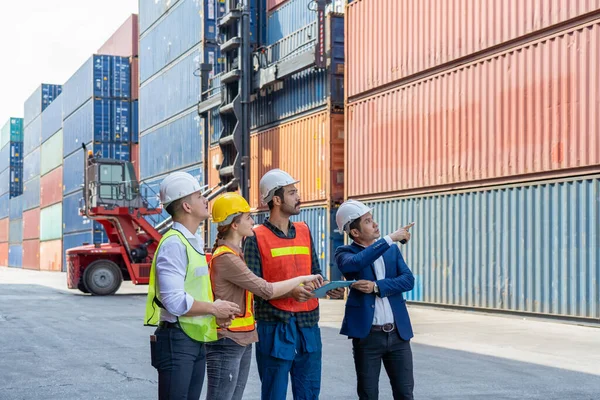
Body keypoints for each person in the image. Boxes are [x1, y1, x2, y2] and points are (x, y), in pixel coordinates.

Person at [205, 192, 324, 400]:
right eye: (248, 217)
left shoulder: (235, 254)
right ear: (234, 224)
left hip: (244, 335)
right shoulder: (228, 257)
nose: (253, 221)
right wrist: (300, 280)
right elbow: (265, 290)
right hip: (233, 336)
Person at [243, 168, 346, 400]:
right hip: (275, 327)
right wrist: (291, 291)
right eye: (292, 192)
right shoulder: (255, 236)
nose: (298, 197)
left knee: (309, 393)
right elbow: (253, 289)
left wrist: (328, 288)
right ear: (276, 200)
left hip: (308, 325)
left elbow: (315, 273)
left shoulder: (304, 230)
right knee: (274, 394)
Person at [144, 171, 241, 400]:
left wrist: (215, 313)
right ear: (187, 206)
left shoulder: (192, 242)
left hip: (193, 339)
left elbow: (193, 290)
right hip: (176, 342)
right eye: (199, 196)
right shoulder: (174, 244)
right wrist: (214, 308)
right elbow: (174, 301)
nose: (206, 200)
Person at [334, 199, 416, 400]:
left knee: (405, 393)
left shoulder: (391, 250)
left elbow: (408, 280)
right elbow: (356, 263)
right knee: (368, 394)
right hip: (368, 336)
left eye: (373, 219)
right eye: (369, 221)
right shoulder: (344, 253)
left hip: (398, 335)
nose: (375, 224)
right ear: (355, 232)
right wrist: (390, 238)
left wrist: (377, 287)